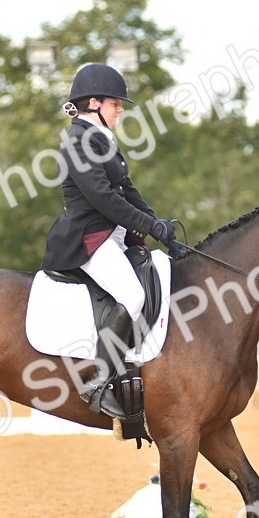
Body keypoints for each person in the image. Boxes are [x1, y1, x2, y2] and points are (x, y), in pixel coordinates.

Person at [42, 63, 176, 418]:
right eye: (116, 104)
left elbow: (127, 190)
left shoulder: (101, 139)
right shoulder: (77, 141)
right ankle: (98, 384)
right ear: (94, 103)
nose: (120, 111)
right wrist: (149, 226)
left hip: (113, 237)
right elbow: (103, 198)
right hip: (88, 240)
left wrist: (158, 225)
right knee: (133, 296)